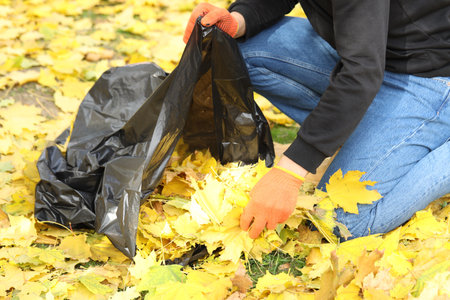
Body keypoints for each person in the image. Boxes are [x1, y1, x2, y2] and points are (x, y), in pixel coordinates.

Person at [183, 1, 450, 240]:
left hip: (426, 76)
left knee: (339, 221)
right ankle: (369, 132)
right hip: (361, 50)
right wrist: (238, 19)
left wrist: (288, 173)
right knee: (234, 52)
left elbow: (361, 73)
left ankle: (417, 136)